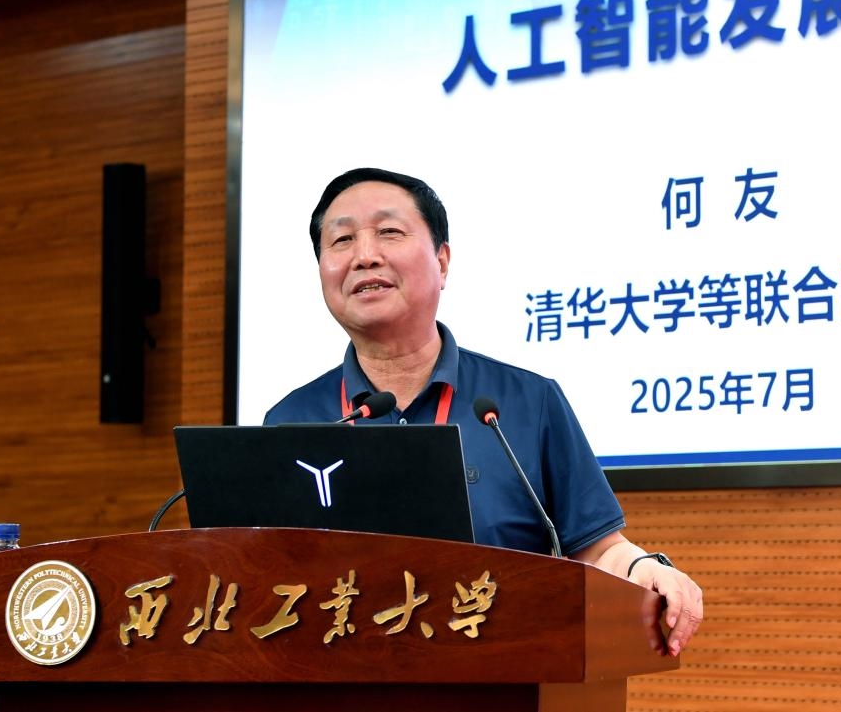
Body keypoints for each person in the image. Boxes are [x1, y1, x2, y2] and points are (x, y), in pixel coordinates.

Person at [264, 167, 703, 656]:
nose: (364, 255)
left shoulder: (527, 402)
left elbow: (600, 550)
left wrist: (645, 568)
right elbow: (264, 574)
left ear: (442, 262)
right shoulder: (289, 421)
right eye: (342, 240)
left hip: (500, 672)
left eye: (389, 231)